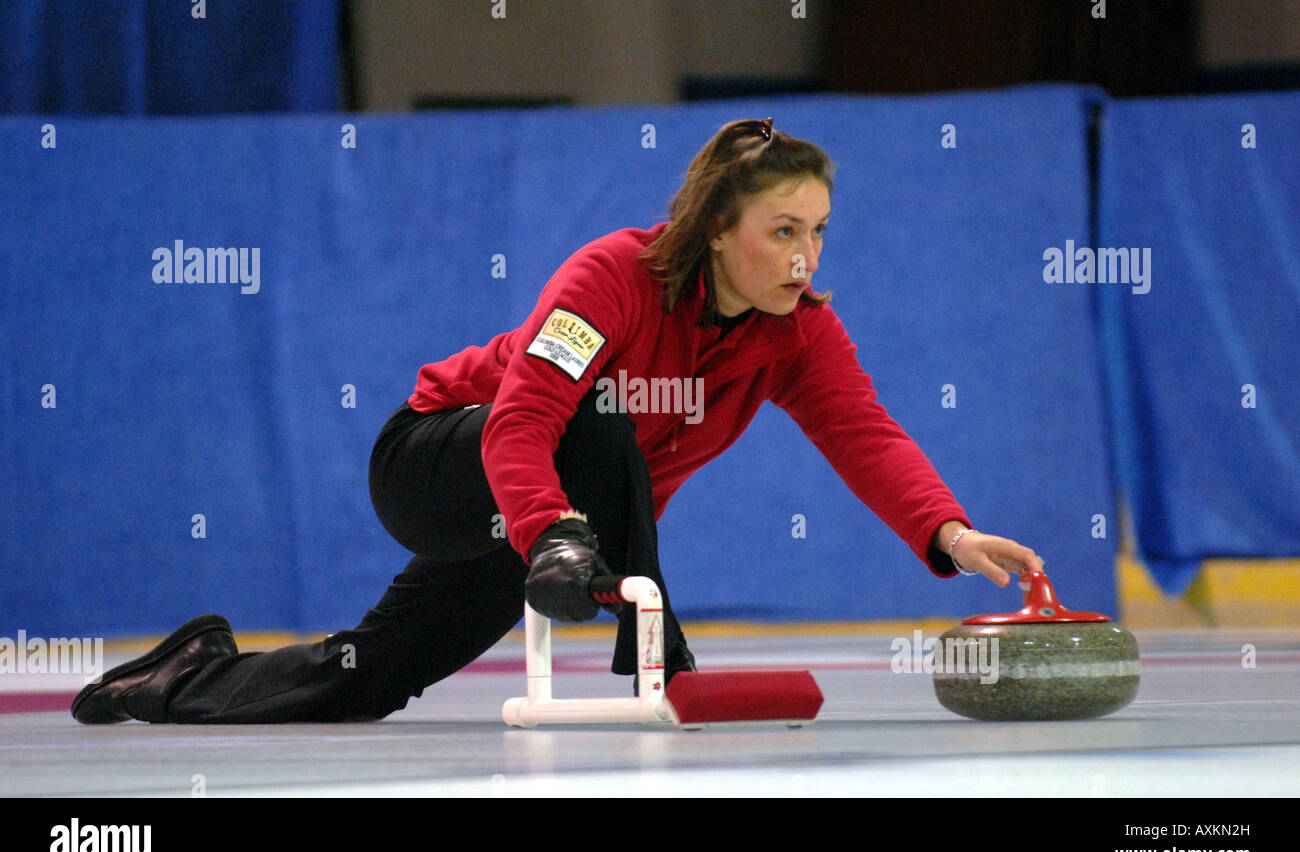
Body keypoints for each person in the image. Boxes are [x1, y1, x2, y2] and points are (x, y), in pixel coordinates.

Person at [72, 117, 1043, 725]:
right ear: (717, 230)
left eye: (818, 231)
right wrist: (556, 541)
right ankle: (660, 656)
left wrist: (945, 530)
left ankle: (185, 674)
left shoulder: (797, 334)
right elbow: (521, 424)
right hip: (437, 461)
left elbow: (861, 432)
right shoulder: (613, 279)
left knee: (363, 680)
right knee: (601, 415)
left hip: (550, 524)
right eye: (782, 232)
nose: (805, 257)